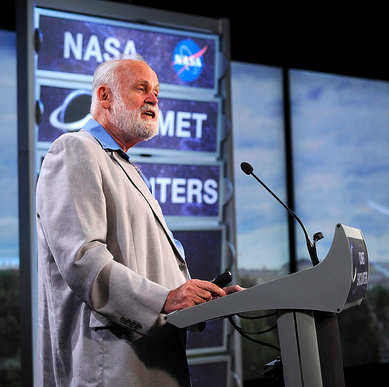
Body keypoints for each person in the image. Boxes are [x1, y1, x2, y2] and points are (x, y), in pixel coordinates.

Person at [35, 58, 241, 387]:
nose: (154, 99)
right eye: (141, 89)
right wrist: (166, 299)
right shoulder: (74, 149)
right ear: (104, 96)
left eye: (157, 92)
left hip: (150, 360)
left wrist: (201, 299)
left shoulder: (125, 166)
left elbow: (147, 267)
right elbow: (83, 260)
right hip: (112, 367)